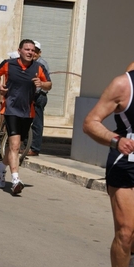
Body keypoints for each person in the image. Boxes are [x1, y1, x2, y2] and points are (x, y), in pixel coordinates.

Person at [83, 70, 134, 267]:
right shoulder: (123, 85)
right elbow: (90, 123)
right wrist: (116, 140)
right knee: (125, 231)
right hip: (125, 163)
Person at [0, 39, 52, 194]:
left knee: (15, 148)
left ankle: (0, 167)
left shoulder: (39, 67)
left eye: (32, 50)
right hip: (10, 109)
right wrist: (0, 86)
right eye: (27, 49)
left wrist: (41, 83)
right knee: (15, 146)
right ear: (19, 51)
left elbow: (49, 85)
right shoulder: (9, 64)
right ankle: (16, 180)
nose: (30, 52)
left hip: (28, 111)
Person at [26, 40, 50, 156]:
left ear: (39, 53)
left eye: (35, 51)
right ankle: (26, 146)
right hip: (29, 96)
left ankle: (35, 148)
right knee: (26, 122)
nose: (32, 53)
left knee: (37, 123)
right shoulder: (29, 63)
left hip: (38, 96)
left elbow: (45, 82)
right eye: (31, 50)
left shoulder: (41, 64)